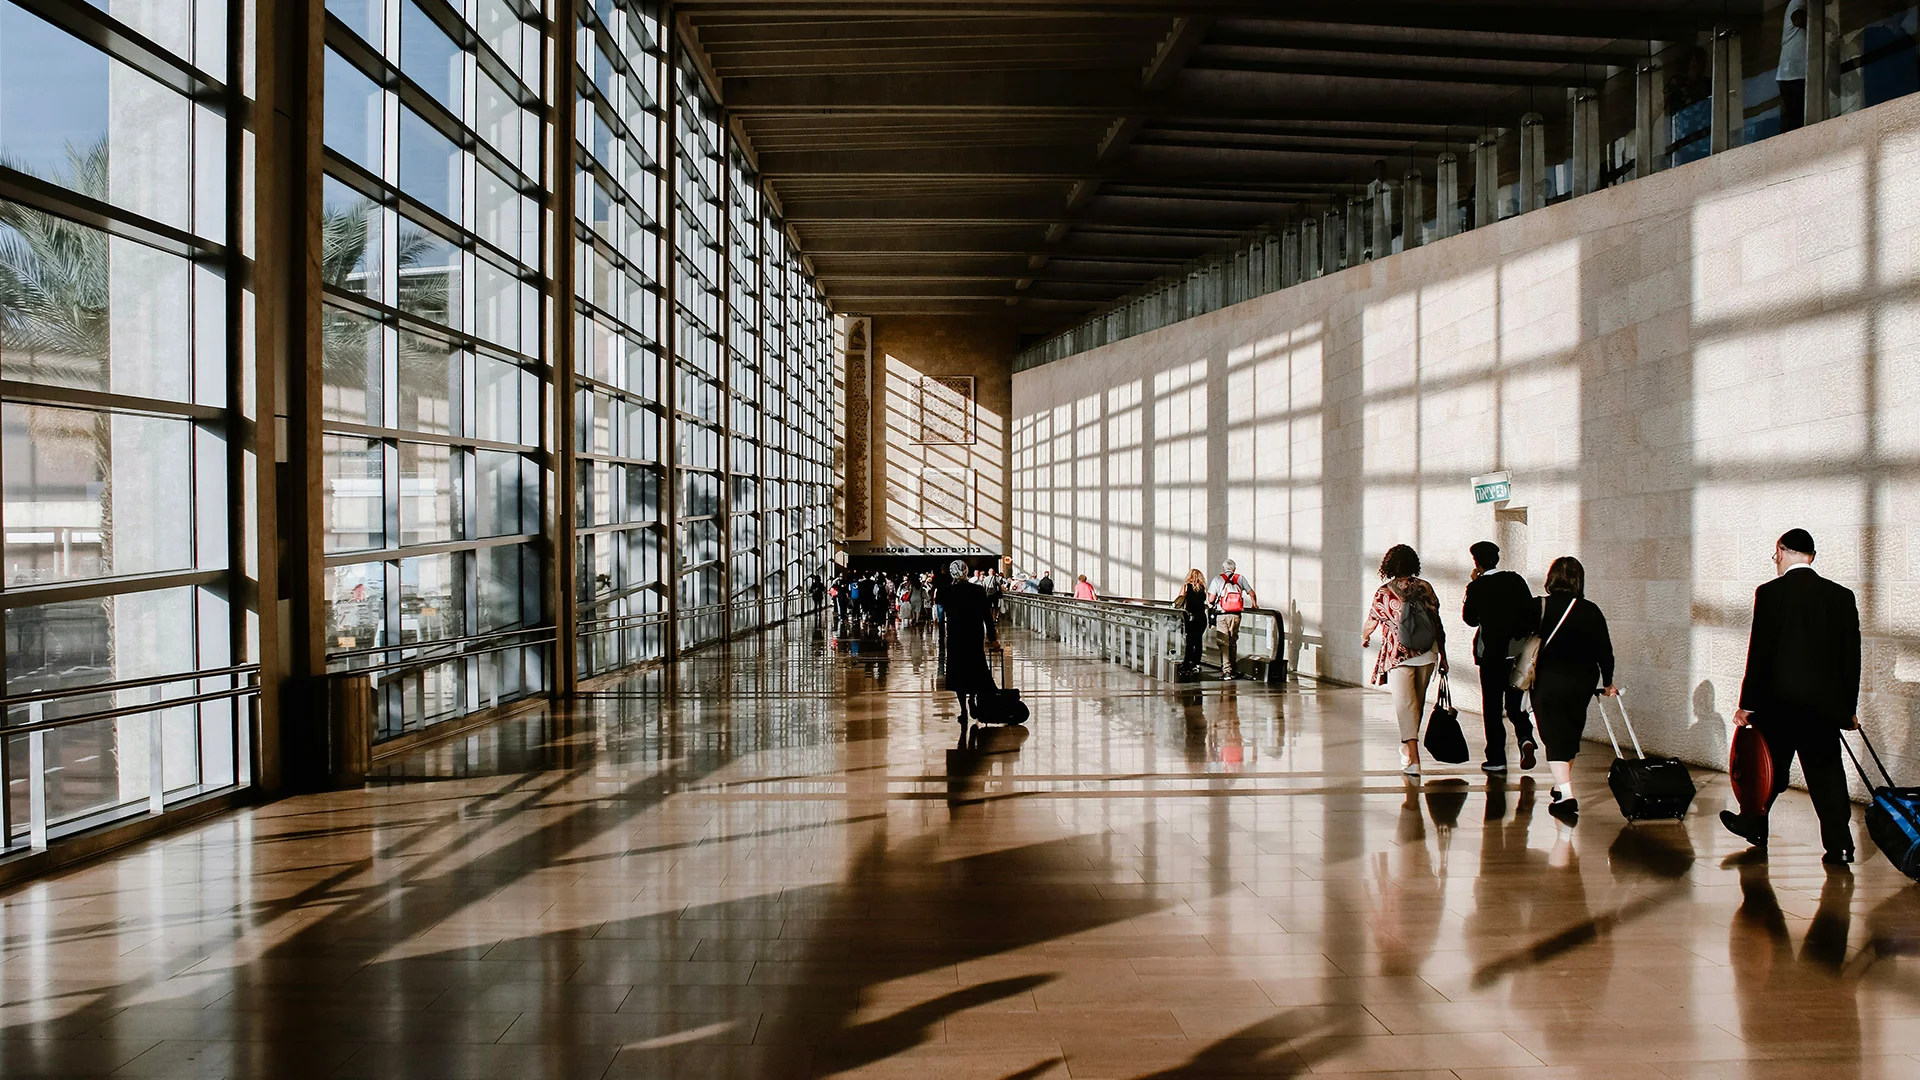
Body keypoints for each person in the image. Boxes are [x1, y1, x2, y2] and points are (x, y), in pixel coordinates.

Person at [1724, 528, 1860, 864]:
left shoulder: (1770, 593)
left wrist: (1747, 703)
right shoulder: (1840, 596)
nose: (1776, 561)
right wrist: (1847, 709)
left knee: (1767, 771)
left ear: (1783, 551)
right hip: (1822, 709)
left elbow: (1760, 652)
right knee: (1827, 776)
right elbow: (1851, 659)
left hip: (1778, 705)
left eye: (1776, 555)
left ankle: (1754, 825)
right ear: (1811, 556)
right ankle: (1840, 845)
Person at [1529, 556, 1617, 825]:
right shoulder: (1590, 610)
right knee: (1568, 735)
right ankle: (1560, 785)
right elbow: (1605, 650)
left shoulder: (1538, 606)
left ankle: (1566, 794)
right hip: (1582, 683)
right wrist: (1608, 681)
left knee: (1553, 737)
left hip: (1547, 680)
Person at [1361, 545, 1444, 776]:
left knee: (1405, 707)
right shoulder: (1425, 587)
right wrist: (1443, 655)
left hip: (1398, 655)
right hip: (1427, 653)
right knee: (1416, 705)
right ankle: (1408, 751)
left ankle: (1413, 759)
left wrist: (1365, 636)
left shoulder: (1384, 592)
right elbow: (1437, 622)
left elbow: (1371, 621)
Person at [1461, 541, 1539, 774]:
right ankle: (1525, 737)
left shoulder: (1477, 587)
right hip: (1516, 653)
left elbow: (1470, 619)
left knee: (1492, 707)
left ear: (1477, 562)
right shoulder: (1515, 580)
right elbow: (1530, 611)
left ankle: (1496, 758)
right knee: (1515, 703)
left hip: (1491, 656)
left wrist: (1474, 585)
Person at [938, 559, 997, 725]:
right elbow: (987, 616)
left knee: (958, 672)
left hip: (956, 637)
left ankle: (963, 709)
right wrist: (993, 638)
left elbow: (941, 612)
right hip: (974, 636)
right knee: (975, 669)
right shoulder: (977, 590)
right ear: (966, 571)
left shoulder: (946, 592)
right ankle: (973, 698)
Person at [1207, 559, 1257, 679]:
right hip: (1236, 614)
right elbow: (1252, 593)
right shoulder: (1240, 578)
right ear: (1234, 568)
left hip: (1222, 614)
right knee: (1233, 641)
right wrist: (1254, 604)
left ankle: (1227, 671)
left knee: (1224, 642)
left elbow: (1210, 599)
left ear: (1224, 568)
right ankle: (1233, 669)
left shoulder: (1218, 579)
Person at [1777, 0, 1808, 134]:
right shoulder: (1798, 1)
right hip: (1792, 74)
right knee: (1795, 118)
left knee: (1798, 117)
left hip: (1794, 73)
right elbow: (1797, 19)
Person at [1176, 569, 1209, 675]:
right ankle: (1196, 664)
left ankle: (1186, 664)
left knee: (1190, 641)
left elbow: (1179, 599)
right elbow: (1207, 601)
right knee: (1198, 641)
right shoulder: (1203, 588)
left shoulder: (1186, 586)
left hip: (1191, 617)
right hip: (1202, 618)